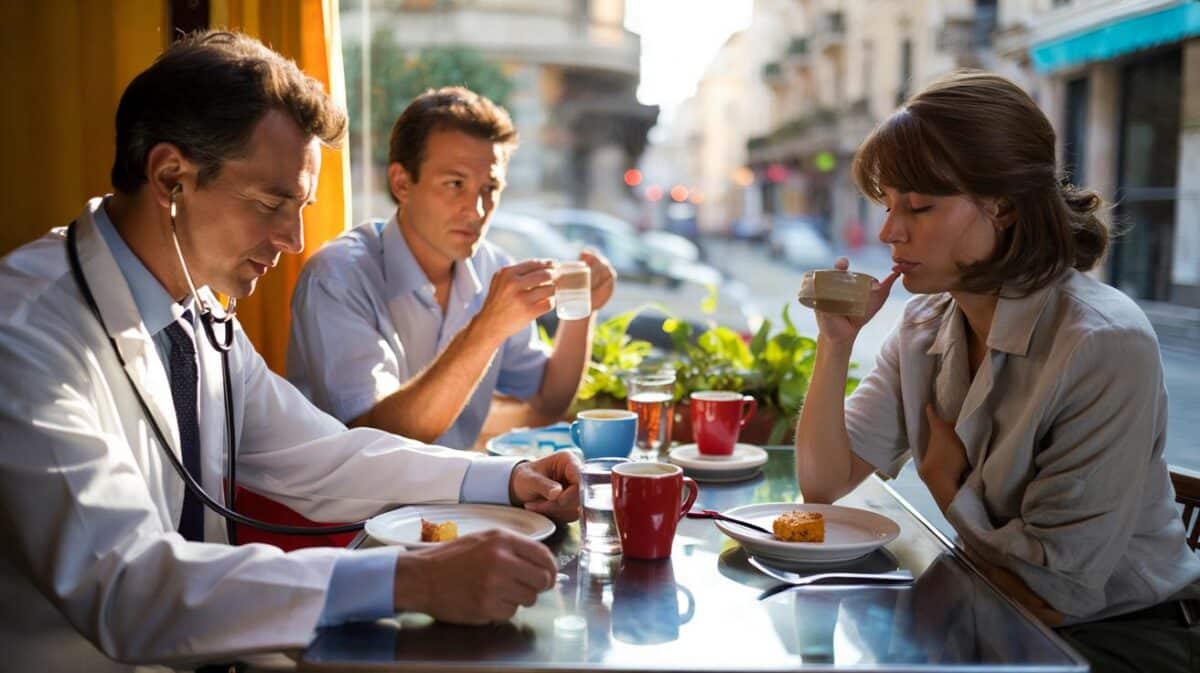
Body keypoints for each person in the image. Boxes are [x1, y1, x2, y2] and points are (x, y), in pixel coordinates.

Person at [0, 32, 580, 672]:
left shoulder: (199, 314)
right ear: (170, 177)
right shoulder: (25, 332)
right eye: (273, 202)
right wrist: (407, 579)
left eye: (300, 207)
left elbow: (325, 458)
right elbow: (127, 585)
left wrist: (509, 481)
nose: (294, 239)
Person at [793, 70, 1200, 672]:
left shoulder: (1102, 343)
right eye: (887, 204)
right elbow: (823, 484)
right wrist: (835, 345)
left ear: (1003, 206)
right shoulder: (924, 324)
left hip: (1121, 638)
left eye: (920, 206)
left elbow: (1056, 596)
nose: (889, 231)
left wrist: (947, 485)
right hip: (990, 607)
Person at [287, 87, 616, 450]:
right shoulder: (337, 277)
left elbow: (546, 403)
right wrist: (488, 328)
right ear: (402, 183)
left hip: (457, 482)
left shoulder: (493, 266)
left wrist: (582, 311)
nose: (477, 210)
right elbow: (375, 442)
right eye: (455, 184)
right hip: (358, 486)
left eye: (489, 188)